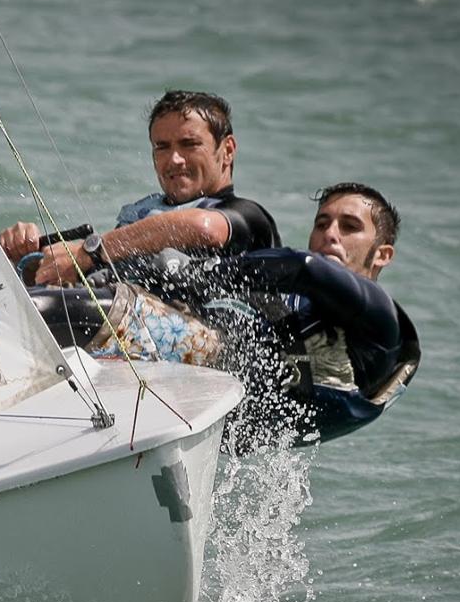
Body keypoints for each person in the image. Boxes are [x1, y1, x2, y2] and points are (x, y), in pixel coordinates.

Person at [32, 182, 420, 449]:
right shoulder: (292, 306)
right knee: (72, 297)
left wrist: (200, 276)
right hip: (199, 383)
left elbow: (302, 267)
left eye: (349, 227)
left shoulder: (380, 322)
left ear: (382, 254)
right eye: (322, 224)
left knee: (71, 312)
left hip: (209, 402)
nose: (329, 235)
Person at [0, 90, 279, 286]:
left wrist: (89, 251)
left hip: (212, 344)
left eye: (189, 144)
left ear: (227, 149)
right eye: (162, 147)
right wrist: (26, 257)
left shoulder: (247, 217)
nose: (174, 159)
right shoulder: (140, 221)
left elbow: (203, 227)